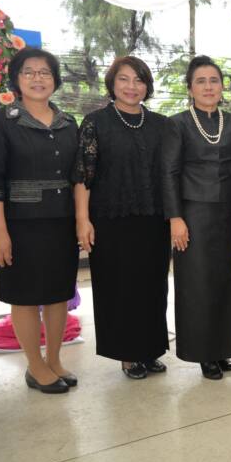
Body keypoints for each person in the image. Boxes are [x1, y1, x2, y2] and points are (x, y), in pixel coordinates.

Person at [73, 56, 170, 379]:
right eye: (124, 79)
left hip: (153, 219)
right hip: (111, 220)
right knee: (120, 288)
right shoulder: (95, 122)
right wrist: (82, 219)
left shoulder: (160, 124)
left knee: (153, 286)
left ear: (147, 86)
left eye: (139, 80)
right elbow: (83, 175)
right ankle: (128, 355)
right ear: (112, 83)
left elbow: (169, 174)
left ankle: (151, 349)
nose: (132, 86)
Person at [0, 48, 78, 393]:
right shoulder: (1, 122)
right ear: (17, 79)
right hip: (20, 224)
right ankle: (35, 365)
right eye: (29, 72)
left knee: (58, 294)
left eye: (45, 72)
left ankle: (54, 360)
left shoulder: (68, 123)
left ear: (55, 79)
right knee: (24, 296)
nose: (37, 78)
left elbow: (78, 176)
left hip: (61, 221)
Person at [161, 56, 231, 380]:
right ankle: (202, 352)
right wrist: (175, 218)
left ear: (222, 86)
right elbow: (168, 173)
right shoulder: (177, 123)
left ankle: (221, 349)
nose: (208, 87)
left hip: (228, 213)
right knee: (197, 285)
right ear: (190, 88)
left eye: (214, 81)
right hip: (193, 215)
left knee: (225, 282)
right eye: (201, 81)